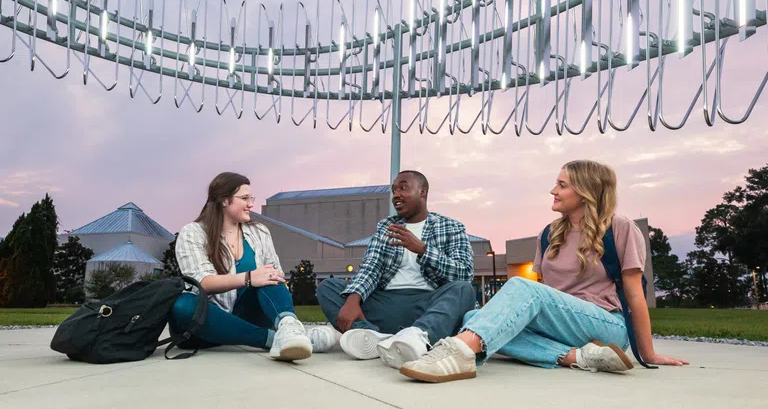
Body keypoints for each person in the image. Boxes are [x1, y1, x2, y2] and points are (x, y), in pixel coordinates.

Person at [399, 160, 689, 383]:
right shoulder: (549, 235)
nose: (553, 191)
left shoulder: (619, 228)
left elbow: (635, 294)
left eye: (562, 185)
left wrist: (647, 354)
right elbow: (543, 298)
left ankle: (458, 353)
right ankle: (578, 357)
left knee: (518, 291)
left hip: (605, 325)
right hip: (560, 327)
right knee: (474, 317)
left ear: (587, 191)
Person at [316, 170, 476, 370]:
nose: (396, 195)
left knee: (463, 290)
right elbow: (370, 267)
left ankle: (417, 337)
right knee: (328, 288)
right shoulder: (386, 226)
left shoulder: (450, 226)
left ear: (423, 192)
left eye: (403, 188)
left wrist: (423, 250)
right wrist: (353, 297)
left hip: (428, 305)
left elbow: (464, 273)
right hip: (386, 304)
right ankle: (371, 337)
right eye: (393, 191)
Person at [171, 172, 337, 360]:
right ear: (224, 200)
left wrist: (262, 276)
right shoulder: (193, 233)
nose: (251, 204)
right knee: (182, 305)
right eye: (244, 198)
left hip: (248, 315)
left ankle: (289, 326)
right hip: (207, 323)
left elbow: (276, 274)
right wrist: (249, 278)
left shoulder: (259, 232)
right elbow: (201, 281)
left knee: (269, 276)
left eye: (251, 198)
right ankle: (275, 340)